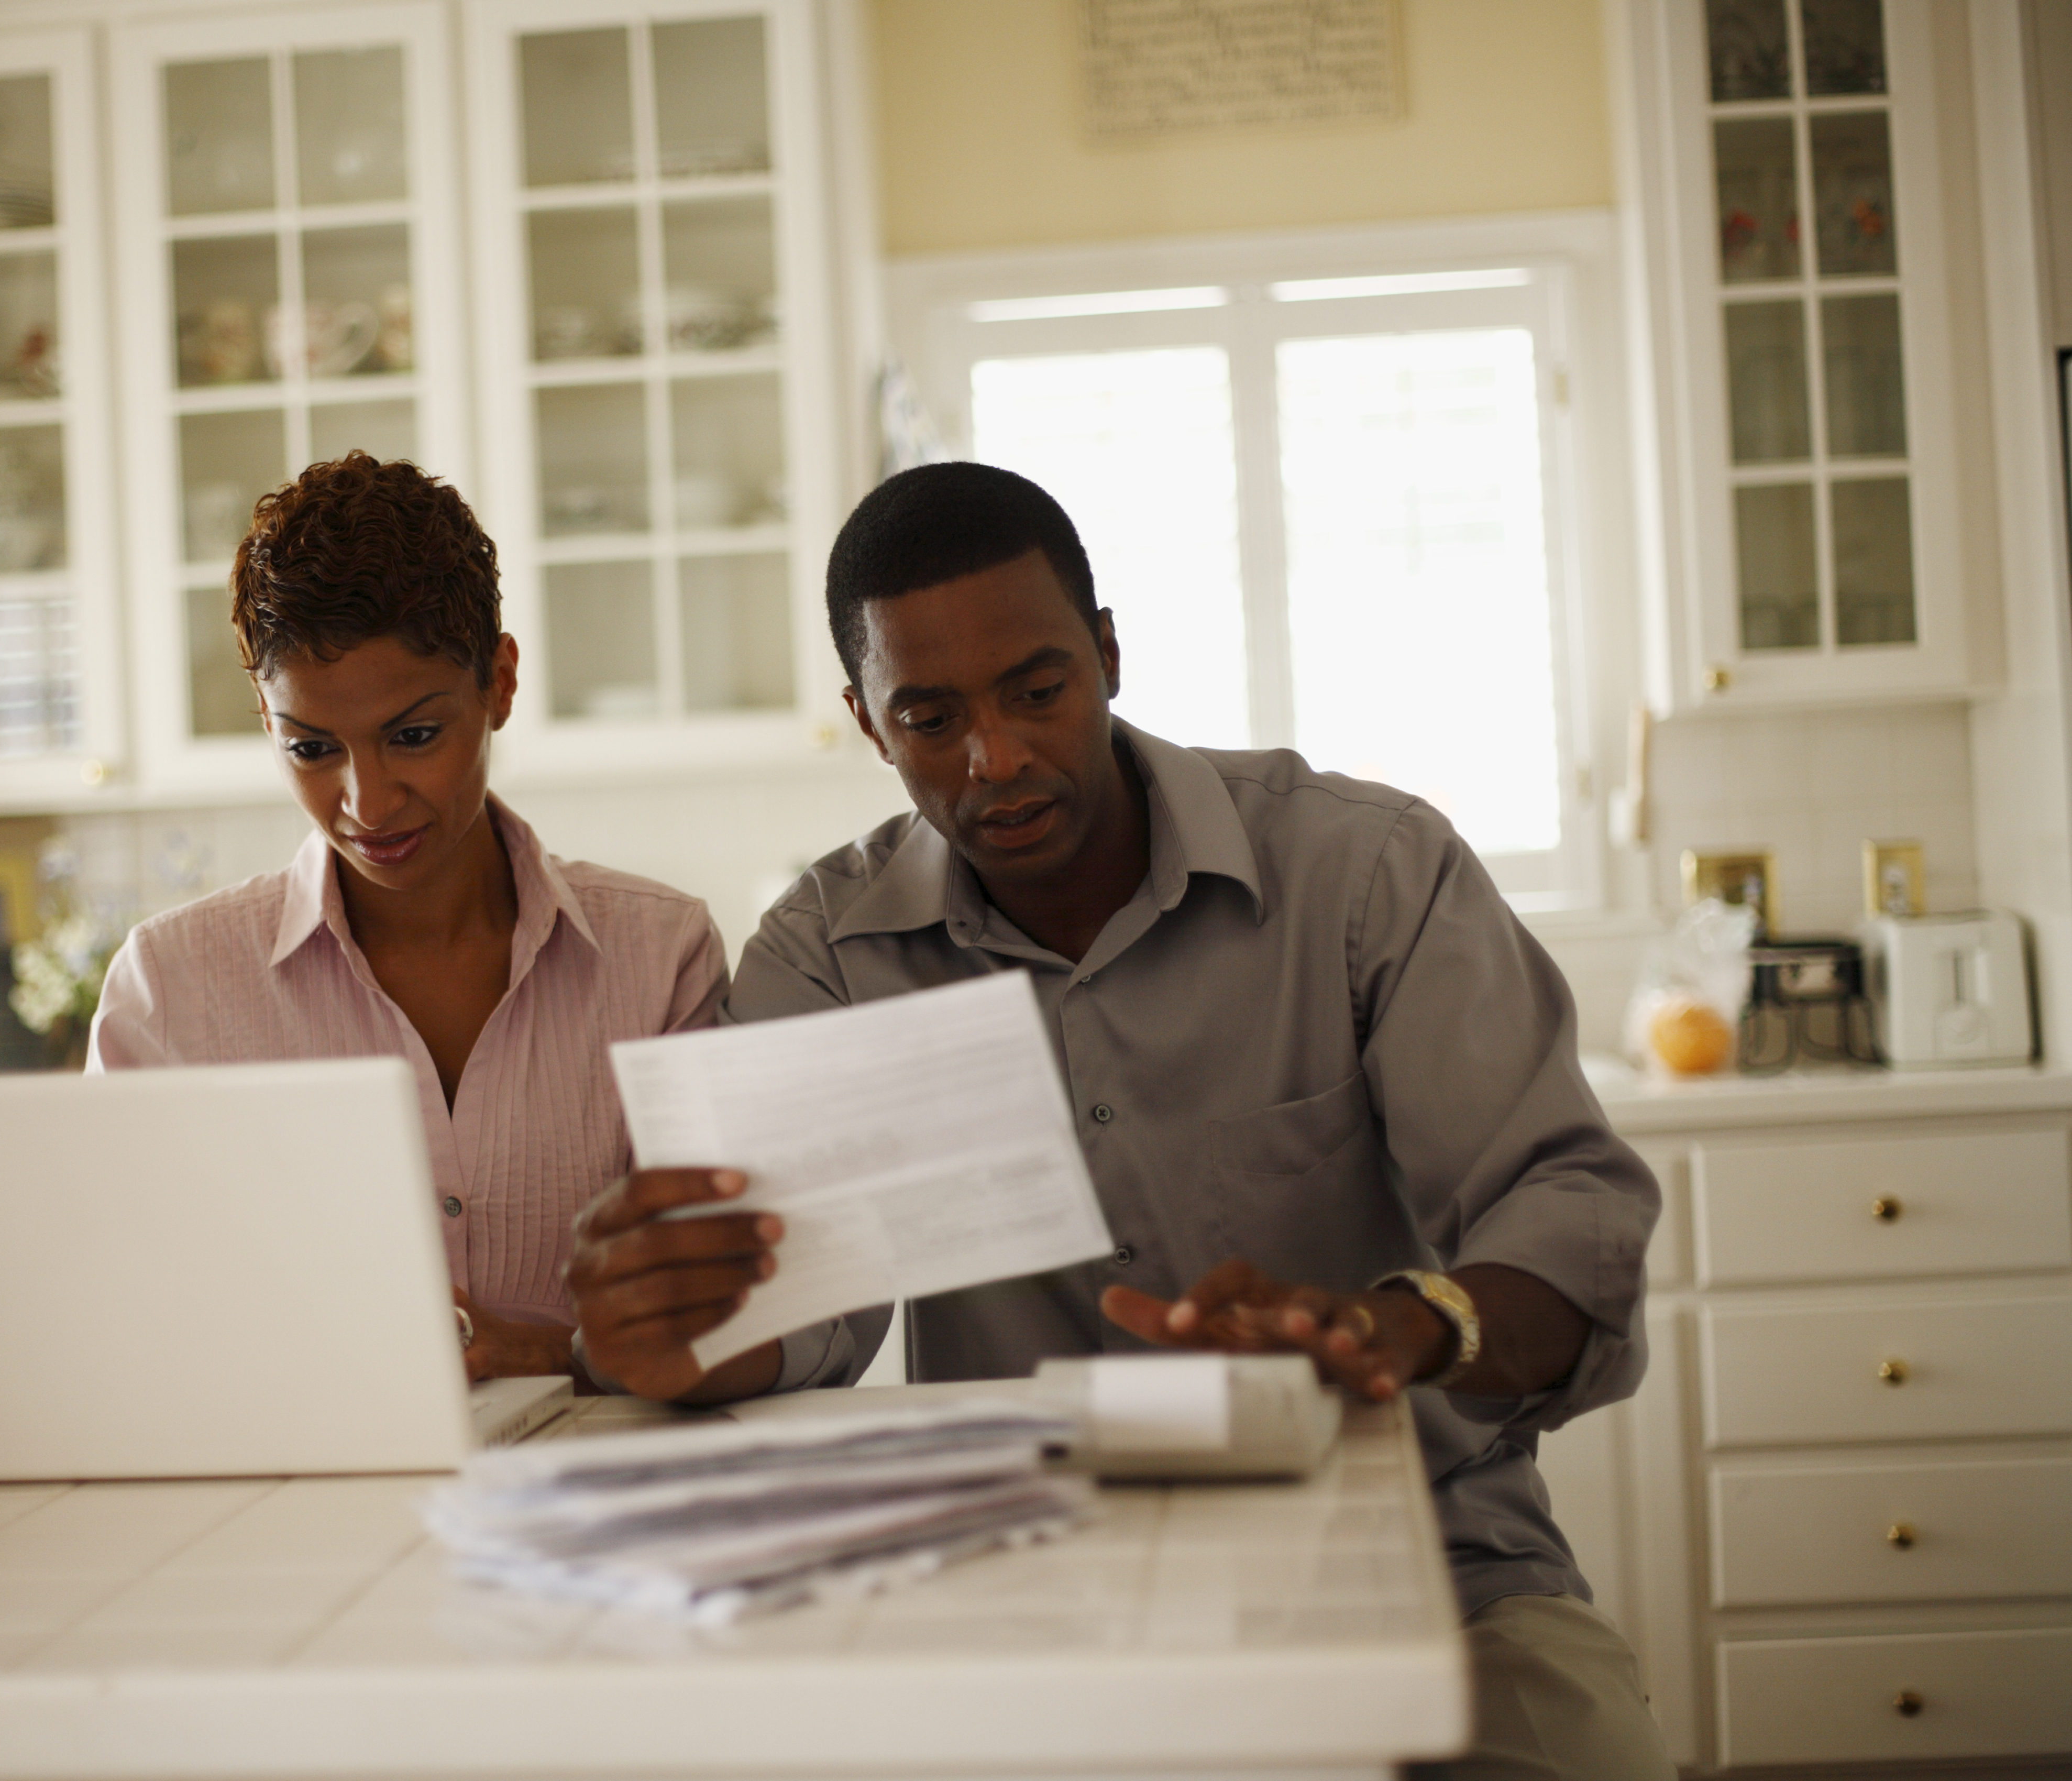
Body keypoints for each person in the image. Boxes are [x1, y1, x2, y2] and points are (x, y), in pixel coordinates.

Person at [564, 462, 1673, 1780]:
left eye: (1038, 688)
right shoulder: (831, 954)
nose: (998, 757)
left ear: (1107, 651)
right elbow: (797, 1312)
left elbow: (1573, 1217)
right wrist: (676, 1329)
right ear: (869, 724)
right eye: (930, 715)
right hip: (1023, 1592)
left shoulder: (1365, 875)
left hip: (1431, 1555)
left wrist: (1402, 1322)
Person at [90, 452, 725, 1383]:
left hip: (603, 1502)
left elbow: (724, 1316)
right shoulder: (170, 988)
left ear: (499, 683)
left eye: (414, 737)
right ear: (268, 723)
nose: (368, 803)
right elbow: (120, 1325)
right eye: (311, 748)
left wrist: (542, 1354)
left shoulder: (661, 956)